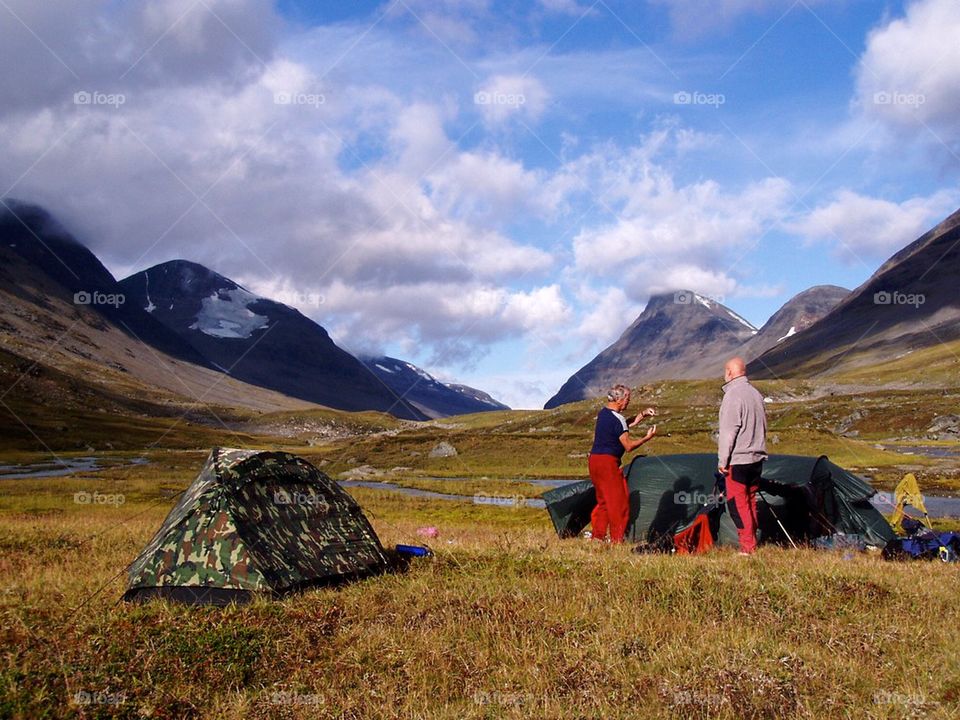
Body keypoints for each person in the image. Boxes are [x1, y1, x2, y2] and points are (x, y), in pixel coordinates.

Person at [588, 384, 657, 544]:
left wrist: (642, 414)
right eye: (628, 399)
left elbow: (623, 425)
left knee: (604, 501)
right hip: (608, 462)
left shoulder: (604, 413)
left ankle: (598, 537)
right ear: (619, 400)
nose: (628, 402)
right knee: (619, 503)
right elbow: (628, 446)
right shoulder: (618, 419)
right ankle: (617, 540)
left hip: (594, 461)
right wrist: (647, 438)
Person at [717, 357, 768, 554]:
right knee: (751, 499)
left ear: (730, 372)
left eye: (725, 371)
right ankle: (751, 541)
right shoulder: (755, 394)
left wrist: (723, 460)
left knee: (738, 504)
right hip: (757, 457)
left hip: (738, 459)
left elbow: (729, 431)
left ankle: (747, 548)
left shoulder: (733, 395)